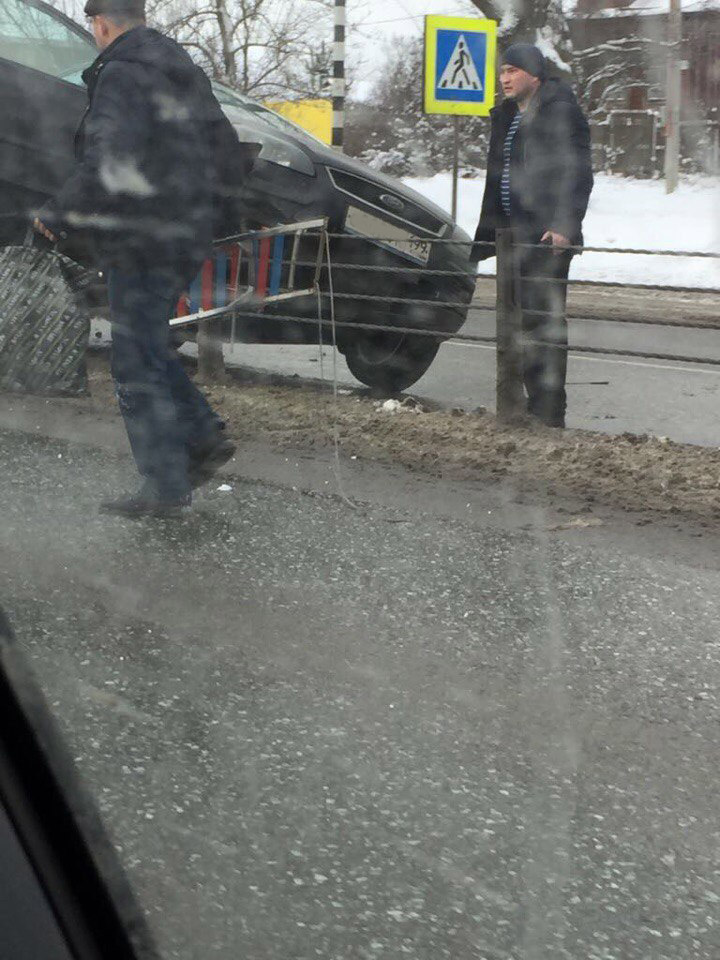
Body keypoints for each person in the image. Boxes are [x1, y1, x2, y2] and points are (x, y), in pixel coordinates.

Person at [34, 0, 254, 516]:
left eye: (93, 26)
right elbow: (225, 147)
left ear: (102, 24)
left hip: (142, 232)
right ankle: (199, 441)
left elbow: (109, 157)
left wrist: (58, 214)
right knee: (147, 342)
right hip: (182, 229)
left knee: (133, 355)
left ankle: (168, 481)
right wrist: (216, 214)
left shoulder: (122, 73)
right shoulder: (181, 68)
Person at [471, 44, 593, 428]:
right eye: (501, 72)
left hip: (545, 238)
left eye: (512, 71)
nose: (504, 79)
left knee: (544, 324)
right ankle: (520, 406)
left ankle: (549, 411)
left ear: (534, 74)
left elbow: (578, 174)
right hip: (511, 234)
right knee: (515, 324)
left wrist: (564, 227)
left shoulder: (561, 110)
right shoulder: (507, 114)